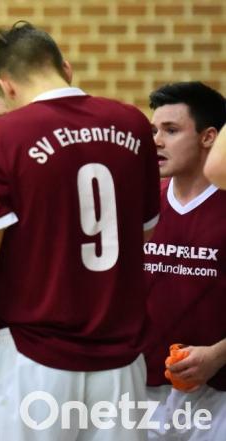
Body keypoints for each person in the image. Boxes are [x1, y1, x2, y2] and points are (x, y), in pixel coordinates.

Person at [0, 21, 161, 441]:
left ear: (7, 87)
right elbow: (138, 239)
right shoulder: (134, 124)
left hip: (34, 362)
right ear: (66, 68)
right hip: (123, 366)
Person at [143, 81, 226, 441]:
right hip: (143, 387)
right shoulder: (143, 204)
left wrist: (219, 354)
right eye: (154, 131)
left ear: (209, 137)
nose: (157, 141)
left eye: (171, 130)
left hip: (218, 391)